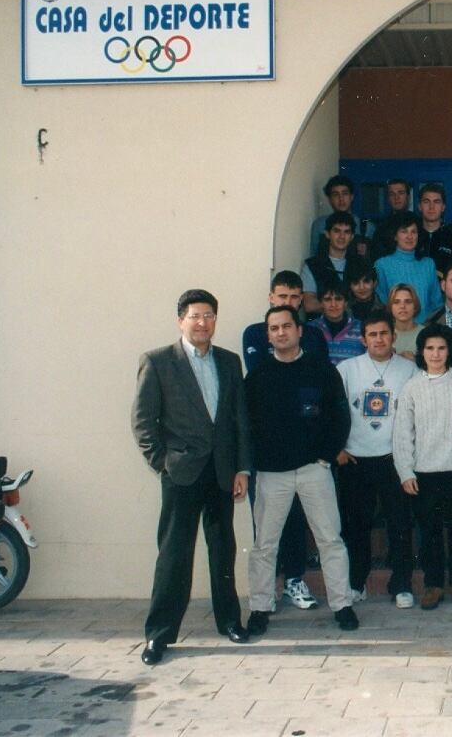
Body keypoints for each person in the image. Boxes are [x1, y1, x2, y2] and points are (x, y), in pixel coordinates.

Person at [131, 289, 251, 665]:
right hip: (181, 474)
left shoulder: (230, 362)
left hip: (221, 473)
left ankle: (230, 621)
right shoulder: (158, 361)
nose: (203, 323)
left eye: (209, 316)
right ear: (181, 319)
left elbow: (239, 421)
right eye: (195, 316)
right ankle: (159, 635)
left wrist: (241, 468)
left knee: (223, 550)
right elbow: (142, 422)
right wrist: (163, 464)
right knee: (174, 555)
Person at [244, 306, 358, 636]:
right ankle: (260, 607)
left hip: (314, 470)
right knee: (265, 545)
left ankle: (342, 605)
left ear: (299, 331)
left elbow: (340, 417)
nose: (280, 333)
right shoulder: (258, 377)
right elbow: (246, 425)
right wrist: (258, 462)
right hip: (271, 474)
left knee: (330, 540)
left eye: (286, 326)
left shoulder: (321, 370)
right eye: (274, 328)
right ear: (268, 335)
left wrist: (324, 457)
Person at [240, 270, 327, 612]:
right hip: (267, 446)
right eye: (283, 297)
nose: (289, 303)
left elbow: (314, 381)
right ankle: (267, 588)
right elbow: (265, 373)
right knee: (265, 522)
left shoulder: (314, 335)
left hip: (304, 445)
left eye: (295, 297)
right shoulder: (255, 332)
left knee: (296, 518)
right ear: (271, 298)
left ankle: (293, 578)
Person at [336, 312, 419, 608]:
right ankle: (357, 583)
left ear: (393, 336)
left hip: (393, 459)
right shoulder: (347, 369)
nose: (379, 339)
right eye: (372, 334)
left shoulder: (409, 369)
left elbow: (413, 415)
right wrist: (338, 448)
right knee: (356, 526)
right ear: (363, 339)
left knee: (400, 525)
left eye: (384, 333)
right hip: (356, 460)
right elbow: (334, 410)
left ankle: (401, 585)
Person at [392, 324, 452, 610]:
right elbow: (403, 434)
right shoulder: (412, 387)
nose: (436, 353)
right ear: (421, 352)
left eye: (441, 348)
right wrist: (405, 471)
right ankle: (433, 584)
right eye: (430, 348)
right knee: (428, 532)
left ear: (449, 351)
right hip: (424, 473)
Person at [374, 212, 442, 322]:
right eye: (404, 231)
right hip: (394, 330)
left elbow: (436, 303)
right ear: (395, 236)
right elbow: (381, 303)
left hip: (425, 330)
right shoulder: (382, 265)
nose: (409, 236)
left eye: (413, 232)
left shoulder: (428, 264)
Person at [302, 211, 357, 315]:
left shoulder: (360, 264)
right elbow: (309, 304)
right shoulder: (312, 265)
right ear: (327, 234)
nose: (341, 236)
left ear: (352, 236)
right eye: (337, 231)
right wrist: (341, 306)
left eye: (346, 232)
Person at [307, 280, 365, 366]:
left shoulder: (362, 328)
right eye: (327, 299)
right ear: (321, 303)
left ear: (346, 302)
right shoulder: (310, 329)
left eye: (338, 299)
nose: (333, 304)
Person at [308, 175, 361, 258]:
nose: (341, 199)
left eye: (345, 193)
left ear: (352, 197)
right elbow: (313, 257)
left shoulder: (366, 227)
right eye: (336, 194)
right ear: (329, 199)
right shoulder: (319, 225)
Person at [388, 283, 422, 362]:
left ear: (415, 306)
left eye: (408, 301)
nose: (402, 306)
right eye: (396, 302)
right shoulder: (383, 333)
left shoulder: (427, 333)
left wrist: (416, 362)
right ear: (390, 306)